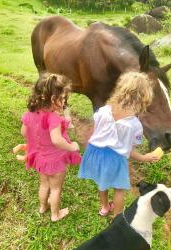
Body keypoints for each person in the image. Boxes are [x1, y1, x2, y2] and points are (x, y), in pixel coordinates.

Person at [78, 72, 160, 218]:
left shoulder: (102, 111)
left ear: (120, 90)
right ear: (144, 98)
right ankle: (116, 217)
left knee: (102, 182)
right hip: (115, 159)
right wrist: (145, 157)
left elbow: (97, 132)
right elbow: (131, 151)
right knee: (119, 189)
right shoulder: (135, 125)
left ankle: (104, 207)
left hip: (95, 152)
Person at [21, 73, 81, 221]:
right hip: (55, 161)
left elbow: (23, 131)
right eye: (62, 98)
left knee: (44, 185)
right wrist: (72, 146)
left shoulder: (30, 112)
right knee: (55, 189)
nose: (63, 101)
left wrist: (34, 141)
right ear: (53, 99)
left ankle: (43, 207)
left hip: (40, 159)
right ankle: (55, 214)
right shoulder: (52, 117)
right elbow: (56, 140)